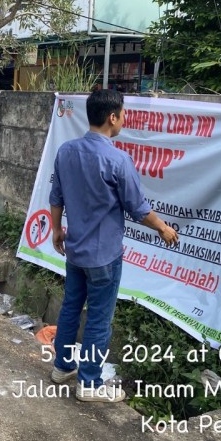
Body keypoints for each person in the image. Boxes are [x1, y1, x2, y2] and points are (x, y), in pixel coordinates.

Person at [48, 89, 178, 403]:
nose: (124, 120)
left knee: (70, 307)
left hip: (75, 249)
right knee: (98, 317)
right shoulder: (117, 159)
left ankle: (62, 367)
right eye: (123, 114)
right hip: (104, 256)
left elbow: (57, 197)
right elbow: (137, 207)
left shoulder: (66, 151)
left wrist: (56, 231)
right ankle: (89, 383)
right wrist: (163, 228)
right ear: (112, 117)